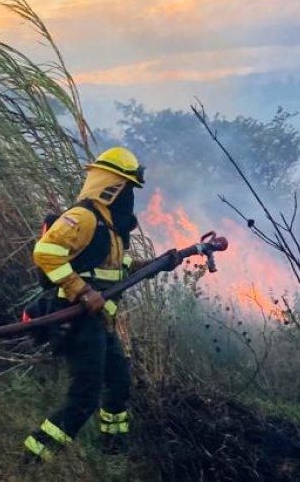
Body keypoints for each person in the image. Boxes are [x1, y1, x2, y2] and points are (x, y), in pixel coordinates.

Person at [22, 146, 182, 462]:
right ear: (112, 185)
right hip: (78, 319)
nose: (130, 198)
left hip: (100, 324)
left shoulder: (111, 228)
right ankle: (34, 456)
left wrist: (154, 264)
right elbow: (45, 252)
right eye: (127, 189)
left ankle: (113, 451)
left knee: (119, 384)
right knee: (85, 398)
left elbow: (113, 264)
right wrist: (82, 291)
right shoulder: (82, 217)